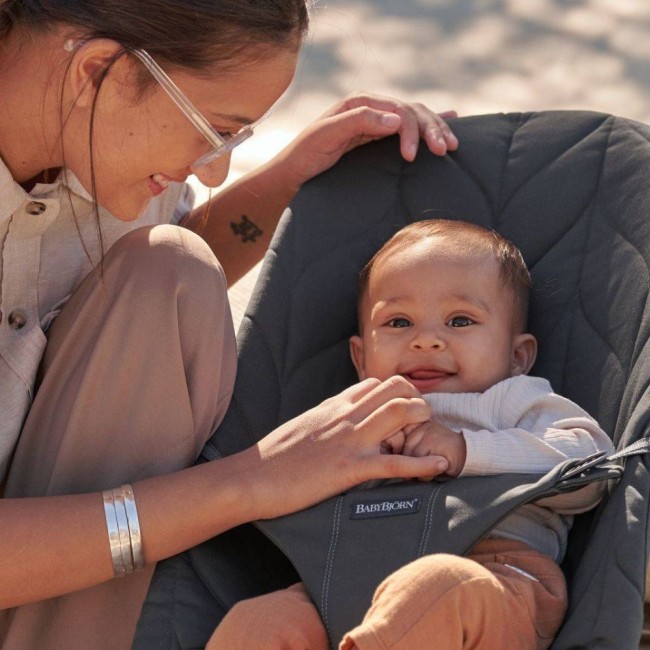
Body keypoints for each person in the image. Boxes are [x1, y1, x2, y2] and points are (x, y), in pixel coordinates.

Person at [0, 1, 461, 648]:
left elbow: (159, 278)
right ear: (98, 69)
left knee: (172, 270)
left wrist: (296, 173)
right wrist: (250, 483)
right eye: (212, 130)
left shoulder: (98, 135)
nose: (214, 169)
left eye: (234, 140)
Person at [208, 219, 615, 650]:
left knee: (437, 586)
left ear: (517, 356)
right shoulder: (352, 415)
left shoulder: (512, 400)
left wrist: (466, 450)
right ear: (362, 359)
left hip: (494, 575)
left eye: (460, 320)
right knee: (259, 621)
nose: (426, 340)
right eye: (399, 322)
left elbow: (592, 465)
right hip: (348, 580)